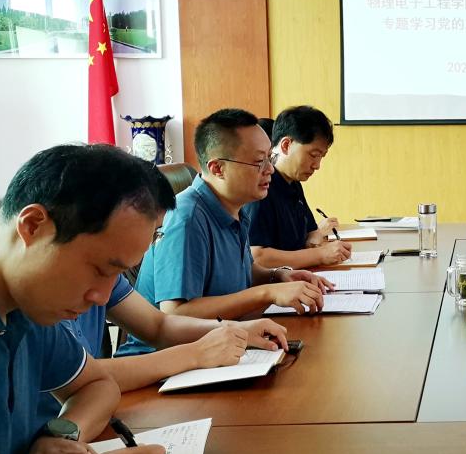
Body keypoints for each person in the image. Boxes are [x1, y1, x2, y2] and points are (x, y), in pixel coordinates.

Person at [0, 144, 172, 454]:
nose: (102, 297)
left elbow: (97, 385)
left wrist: (61, 438)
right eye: (101, 270)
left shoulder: (24, 303)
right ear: (32, 225)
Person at [119, 108, 334, 357]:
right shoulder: (187, 218)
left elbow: (242, 270)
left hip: (220, 346)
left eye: (269, 158)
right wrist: (267, 293)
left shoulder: (234, 207)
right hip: (164, 362)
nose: (270, 170)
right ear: (218, 168)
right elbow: (176, 313)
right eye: (259, 161)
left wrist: (278, 276)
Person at [37, 269, 288, 423]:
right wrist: (195, 353)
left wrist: (233, 328)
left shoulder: (102, 270)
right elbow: (87, 376)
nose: (102, 297)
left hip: (86, 424)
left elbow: (158, 325)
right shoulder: (41, 300)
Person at [247, 105, 352, 269]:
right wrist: (319, 255)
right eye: (313, 155)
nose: (317, 165)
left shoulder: (293, 182)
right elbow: (257, 257)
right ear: (286, 145)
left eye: (321, 157)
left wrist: (313, 240)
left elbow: (311, 233)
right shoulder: (262, 187)